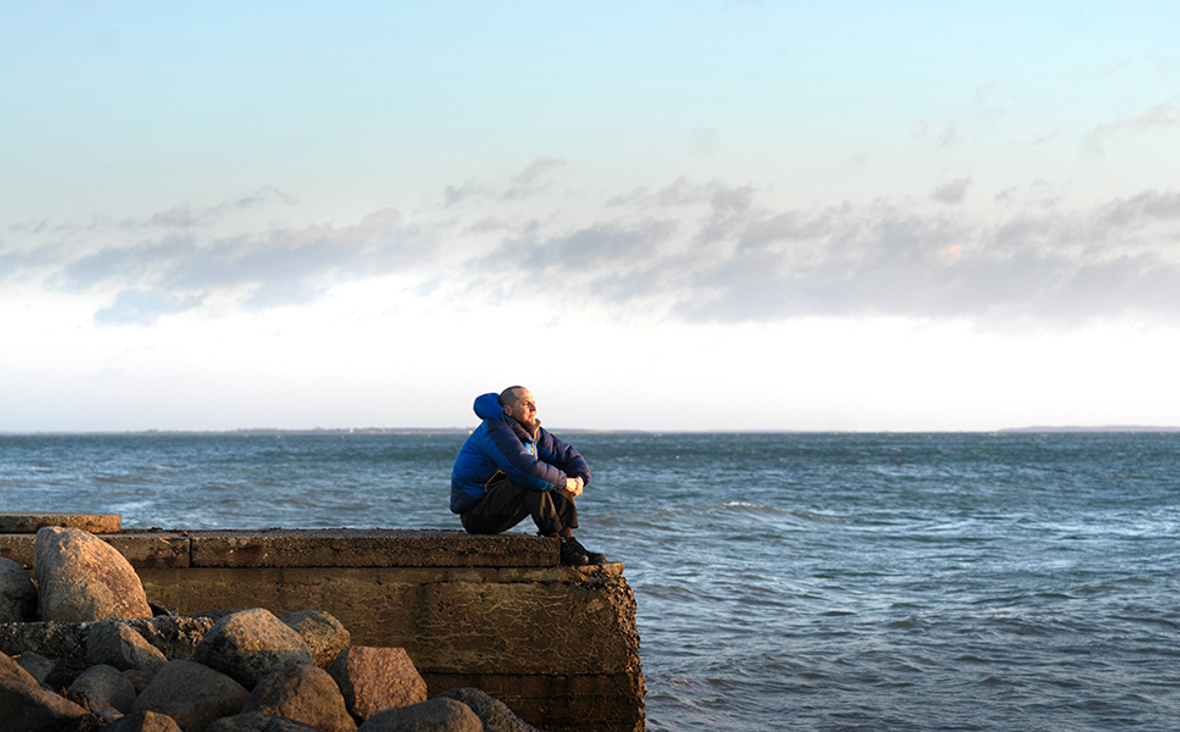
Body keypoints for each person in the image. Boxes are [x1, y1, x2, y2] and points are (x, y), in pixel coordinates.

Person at [450, 386, 606, 566]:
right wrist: (565, 482)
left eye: (534, 403)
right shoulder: (494, 428)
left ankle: (569, 541)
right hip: (476, 515)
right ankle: (556, 543)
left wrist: (579, 479)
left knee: (553, 473)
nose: (534, 409)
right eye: (526, 404)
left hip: (500, 506)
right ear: (508, 410)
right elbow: (524, 468)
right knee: (532, 479)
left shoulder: (530, 430)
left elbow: (567, 455)